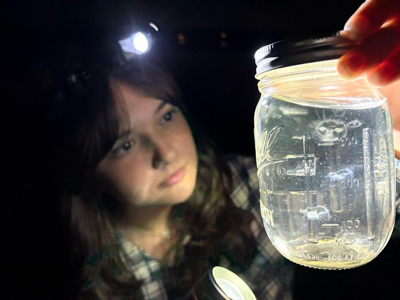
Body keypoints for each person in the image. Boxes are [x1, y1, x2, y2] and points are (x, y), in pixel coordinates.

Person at [11, 0, 400, 299]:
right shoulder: (78, 279)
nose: (164, 152)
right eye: (124, 144)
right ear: (85, 170)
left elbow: (379, 209)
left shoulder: (250, 187)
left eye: (166, 117)